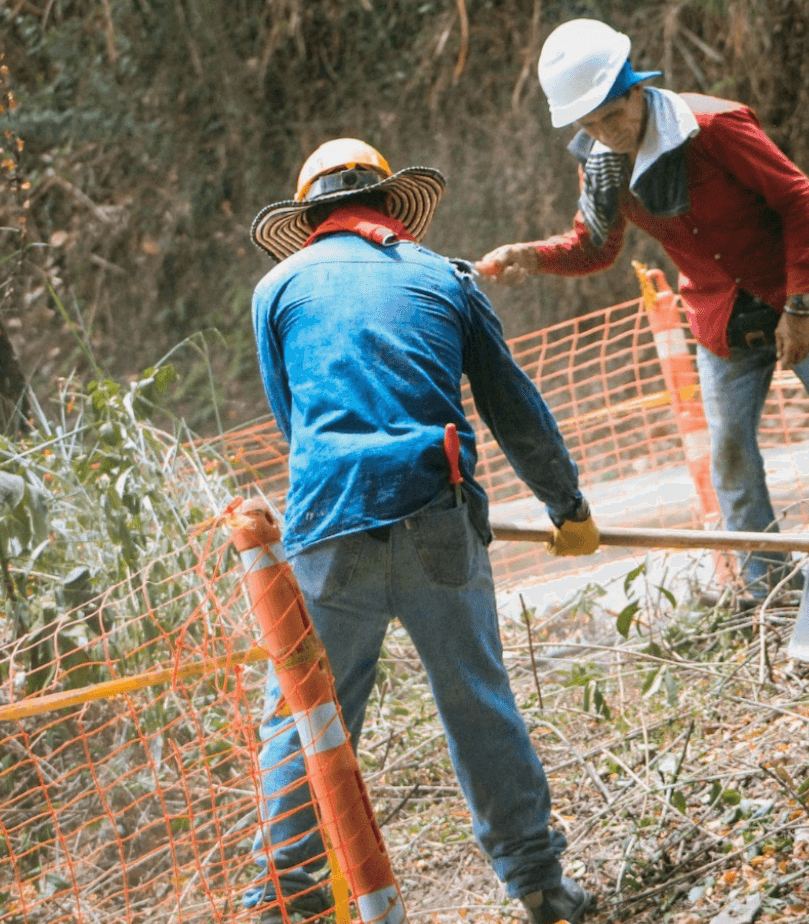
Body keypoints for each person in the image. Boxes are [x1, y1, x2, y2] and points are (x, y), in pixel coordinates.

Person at [245, 138, 597, 924]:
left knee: (304, 717)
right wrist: (566, 506)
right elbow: (514, 406)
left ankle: (284, 903)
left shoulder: (276, 288)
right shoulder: (447, 277)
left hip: (328, 526)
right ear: (389, 202)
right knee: (478, 701)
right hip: (437, 511)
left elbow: (292, 422)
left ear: (311, 217)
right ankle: (541, 888)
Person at [480, 19, 809, 598]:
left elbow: (798, 201)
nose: (608, 131)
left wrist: (801, 308)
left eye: (613, 113)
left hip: (803, 289)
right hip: (721, 312)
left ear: (635, 87)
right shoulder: (603, 163)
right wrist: (533, 255)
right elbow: (595, 246)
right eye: (590, 123)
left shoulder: (713, 126)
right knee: (730, 458)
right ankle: (769, 602)